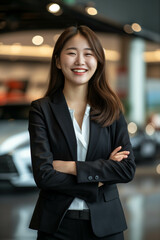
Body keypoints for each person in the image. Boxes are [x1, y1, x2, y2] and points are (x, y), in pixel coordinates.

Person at [28, 25, 136, 240]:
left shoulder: (111, 108)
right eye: (71, 53)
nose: (80, 61)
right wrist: (97, 179)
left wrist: (70, 167)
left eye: (88, 54)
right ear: (58, 61)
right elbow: (44, 176)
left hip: (107, 225)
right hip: (56, 226)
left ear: (98, 61)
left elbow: (126, 169)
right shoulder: (42, 110)